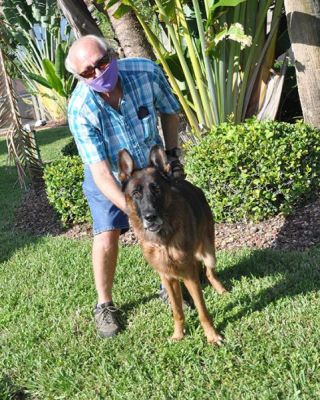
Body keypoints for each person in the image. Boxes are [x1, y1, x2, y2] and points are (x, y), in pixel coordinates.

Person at [65, 34, 184, 338]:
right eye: (88, 72)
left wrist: (172, 155)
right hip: (108, 174)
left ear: (113, 55)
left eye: (101, 63)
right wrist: (132, 209)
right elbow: (102, 174)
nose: (97, 73)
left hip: (150, 167)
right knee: (107, 235)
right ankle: (104, 305)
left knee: (166, 222)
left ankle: (169, 281)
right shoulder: (80, 109)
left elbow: (170, 111)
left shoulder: (145, 71)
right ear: (80, 76)